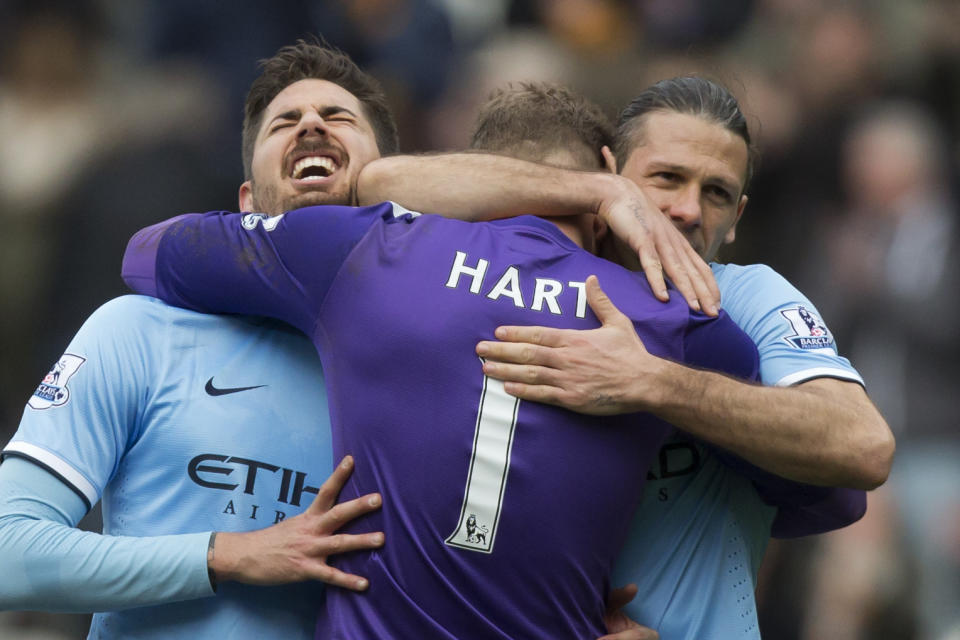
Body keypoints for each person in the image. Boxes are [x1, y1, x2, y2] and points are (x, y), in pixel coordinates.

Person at [0, 42, 706, 640]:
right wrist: (225, 555)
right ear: (247, 205)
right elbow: (8, 556)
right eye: (287, 121)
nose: (312, 123)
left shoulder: (460, 366)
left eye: (339, 117)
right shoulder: (142, 331)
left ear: (405, 210)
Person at [349, 76, 892, 638]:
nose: (686, 210)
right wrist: (586, 192)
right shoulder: (517, 280)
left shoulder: (743, 298)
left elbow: (864, 446)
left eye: (717, 193)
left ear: (738, 217)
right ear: (612, 177)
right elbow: (377, 184)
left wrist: (652, 382)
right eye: (666, 178)